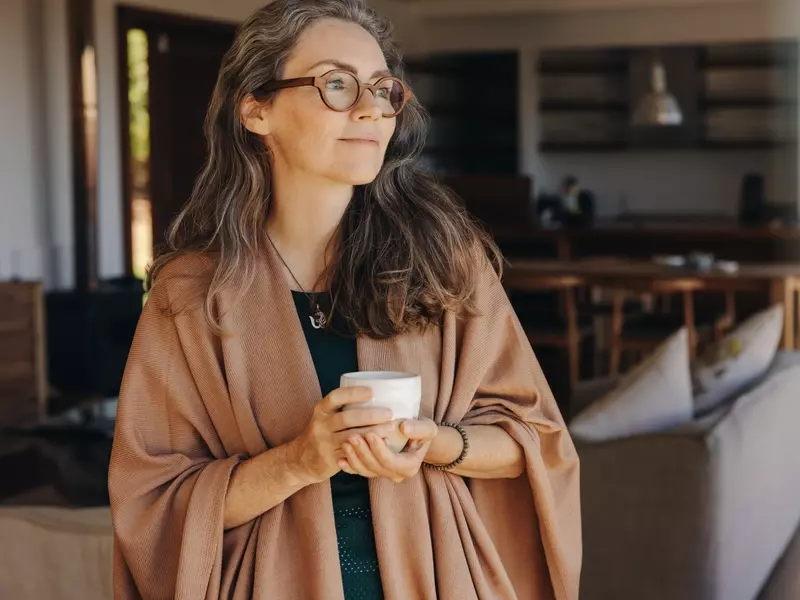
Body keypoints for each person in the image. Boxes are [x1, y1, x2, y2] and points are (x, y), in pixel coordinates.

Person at [108, 1, 581, 599]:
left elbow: (533, 441)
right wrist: (302, 460)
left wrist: (433, 443)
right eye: (336, 84)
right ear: (257, 109)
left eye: (383, 89)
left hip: (437, 579)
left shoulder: (443, 261)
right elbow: (153, 504)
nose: (371, 108)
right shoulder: (193, 294)